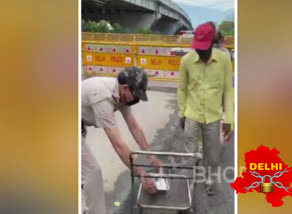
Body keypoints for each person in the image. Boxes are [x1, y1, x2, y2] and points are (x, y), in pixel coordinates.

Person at [82, 67, 162, 214]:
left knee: (83, 171)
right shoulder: (103, 98)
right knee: (93, 172)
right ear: (125, 88)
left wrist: (152, 156)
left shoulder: (120, 94)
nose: (137, 100)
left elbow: (134, 127)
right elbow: (119, 145)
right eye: (136, 95)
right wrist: (141, 174)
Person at [177, 22, 233, 196]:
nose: (200, 52)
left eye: (204, 48)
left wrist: (229, 118)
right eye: (198, 48)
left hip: (214, 116)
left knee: (212, 155)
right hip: (192, 114)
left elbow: (228, 90)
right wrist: (182, 113)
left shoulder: (224, 59)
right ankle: (188, 183)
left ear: (211, 43)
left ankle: (209, 180)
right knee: (190, 153)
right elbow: (182, 88)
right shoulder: (186, 60)